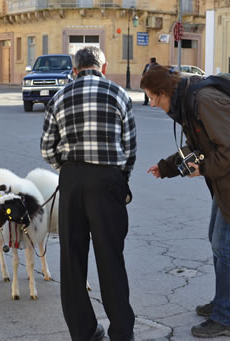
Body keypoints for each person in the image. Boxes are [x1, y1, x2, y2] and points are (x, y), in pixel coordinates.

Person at [141, 65, 230, 338]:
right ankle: (224, 303)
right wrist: (167, 167)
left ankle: (226, 317)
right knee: (216, 240)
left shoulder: (203, 100)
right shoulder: (188, 104)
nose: (152, 103)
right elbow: (198, 145)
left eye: (153, 98)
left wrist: (203, 169)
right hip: (228, 177)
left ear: (165, 92)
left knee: (223, 243)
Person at [41, 46, 137, 341]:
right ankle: (121, 333)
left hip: (72, 180)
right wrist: (120, 179)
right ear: (103, 67)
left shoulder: (59, 97)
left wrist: (68, 171)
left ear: (75, 69)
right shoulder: (119, 95)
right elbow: (130, 148)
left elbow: (46, 148)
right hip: (108, 181)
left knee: (72, 261)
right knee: (111, 258)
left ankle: (84, 332)